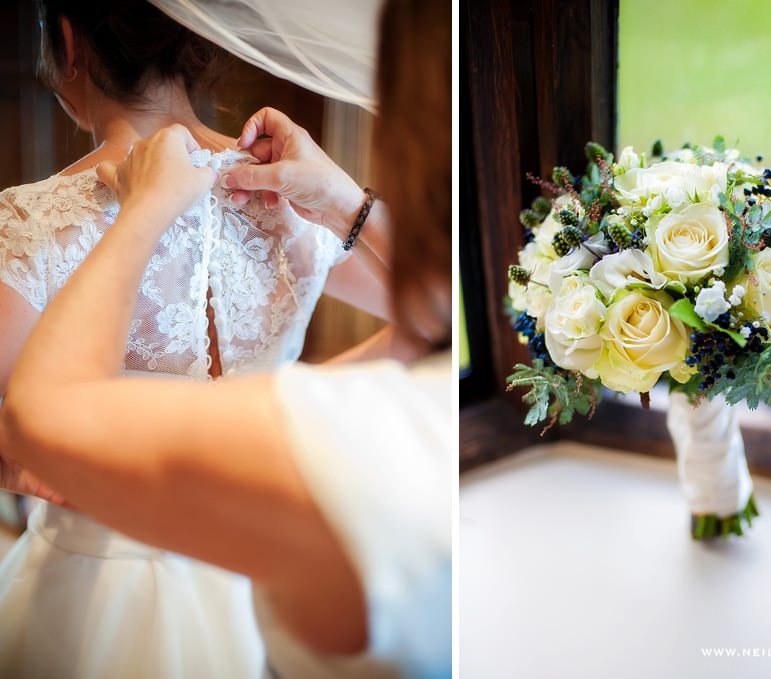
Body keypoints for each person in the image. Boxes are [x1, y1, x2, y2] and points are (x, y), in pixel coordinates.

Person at [1, 0, 451, 676]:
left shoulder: (30, 219)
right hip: (272, 572)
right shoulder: (293, 199)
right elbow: (439, 317)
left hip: (93, 596)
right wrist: (344, 201)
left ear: (69, 45)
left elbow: (18, 426)